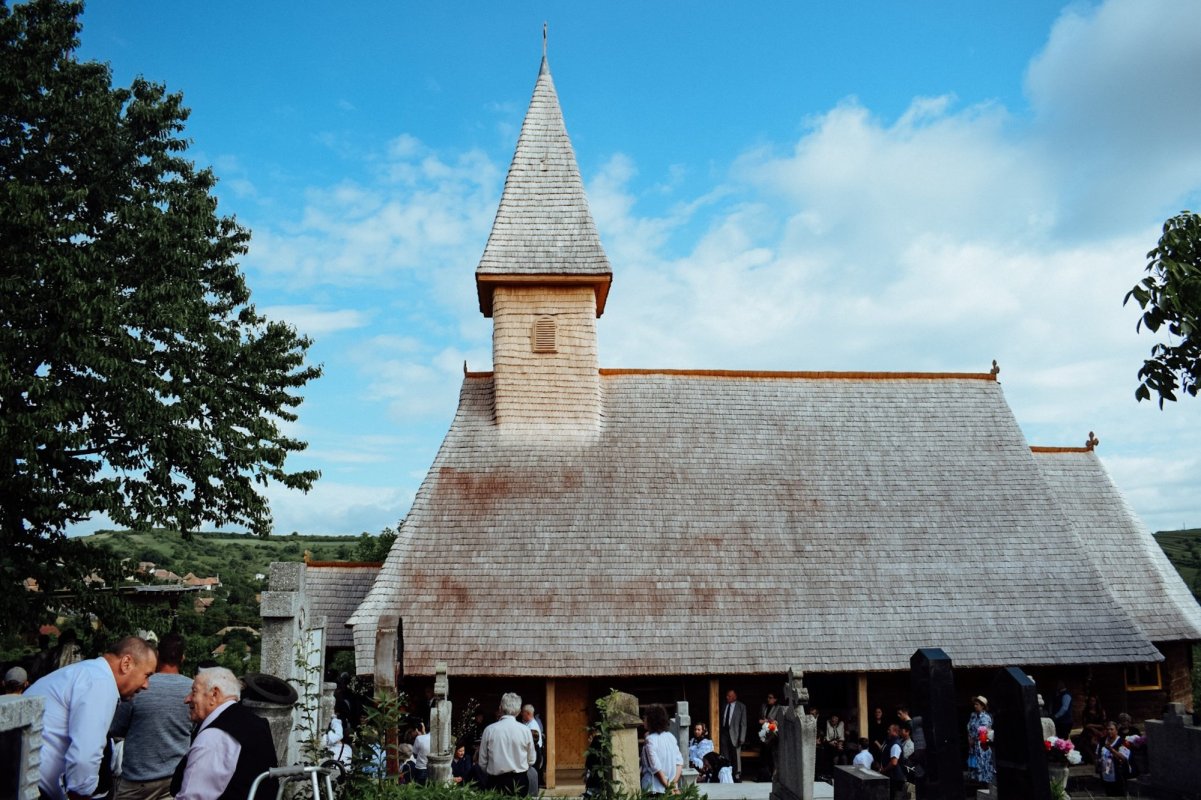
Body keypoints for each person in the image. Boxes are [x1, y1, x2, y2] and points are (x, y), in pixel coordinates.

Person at [27, 636, 157, 800]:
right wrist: (83, 794)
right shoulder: (99, 682)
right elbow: (85, 756)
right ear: (126, 664)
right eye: (147, 675)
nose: (146, 685)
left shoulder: (90, 673)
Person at [108, 633, 193, 800]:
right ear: (183, 658)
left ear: (158, 655)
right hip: (174, 780)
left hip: (136, 780)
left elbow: (116, 727)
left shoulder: (138, 685)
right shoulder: (193, 690)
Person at [172, 667, 278, 800]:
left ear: (214, 695)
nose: (187, 699)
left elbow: (192, 797)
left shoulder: (214, 737)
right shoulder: (254, 721)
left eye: (194, 692)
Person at [477, 693, 535, 795]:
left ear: (501, 708)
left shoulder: (490, 730)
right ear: (518, 711)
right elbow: (531, 760)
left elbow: (482, 762)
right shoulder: (525, 730)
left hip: (495, 781)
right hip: (519, 781)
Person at [640, 705, 683, 794]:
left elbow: (655, 768)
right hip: (671, 787)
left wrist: (668, 786)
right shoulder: (670, 737)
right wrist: (673, 784)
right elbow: (679, 763)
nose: (643, 721)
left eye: (645, 718)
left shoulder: (650, 740)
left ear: (651, 720)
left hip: (654, 788)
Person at [1095, 721, 1130, 797]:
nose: (1109, 731)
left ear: (1116, 730)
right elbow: (1097, 754)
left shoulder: (1122, 741)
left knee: (1120, 795)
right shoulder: (1102, 741)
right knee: (1109, 794)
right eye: (1107, 729)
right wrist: (1098, 762)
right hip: (1106, 774)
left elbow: (1124, 758)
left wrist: (1111, 749)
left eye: (1111, 729)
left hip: (1118, 775)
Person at [719, 689, 747, 781]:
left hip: (735, 734)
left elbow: (743, 724)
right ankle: (727, 773)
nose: (727, 697)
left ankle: (737, 774)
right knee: (725, 753)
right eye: (727, 696)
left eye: (729, 696)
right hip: (724, 732)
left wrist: (742, 737)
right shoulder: (724, 705)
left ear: (735, 697)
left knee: (736, 754)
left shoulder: (741, 706)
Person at [966, 696, 994, 785]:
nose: (975, 706)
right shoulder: (973, 716)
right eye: (974, 704)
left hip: (982, 745)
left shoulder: (985, 717)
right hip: (973, 745)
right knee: (974, 766)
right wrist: (970, 738)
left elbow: (983, 734)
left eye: (977, 704)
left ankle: (985, 785)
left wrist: (973, 740)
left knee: (983, 764)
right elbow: (969, 728)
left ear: (982, 706)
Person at [879, 723, 907, 800]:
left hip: (896, 779)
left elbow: (894, 763)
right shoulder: (890, 743)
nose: (887, 731)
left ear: (895, 731)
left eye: (889, 730)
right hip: (892, 778)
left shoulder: (895, 745)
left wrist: (883, 770)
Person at [759, 692, 782, 776]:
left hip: (773, 735)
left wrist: (769, 721)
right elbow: (760, 719)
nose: (768, 699)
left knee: (772, 754)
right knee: (763, 754)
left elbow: (778, 721)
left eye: (770, 697)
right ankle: (764, 774)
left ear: (775, 699)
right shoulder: (764, 706)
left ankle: (773, 774)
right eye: (768, 697)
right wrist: (762, 721)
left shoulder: (778, 708)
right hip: (764, 733)